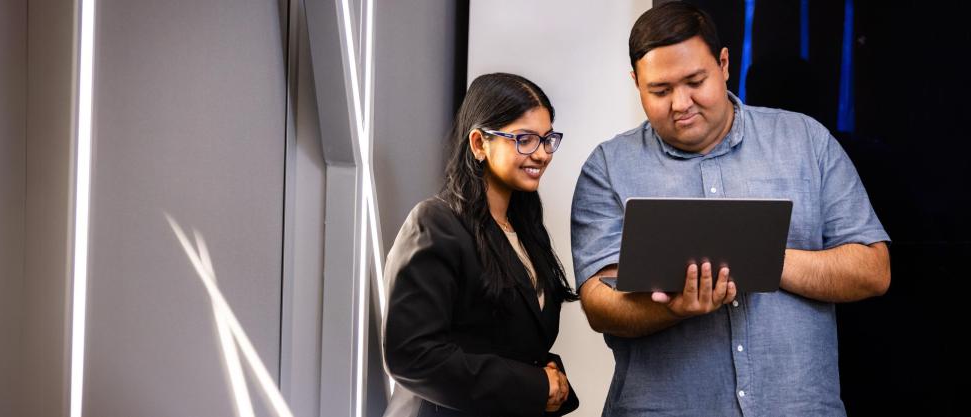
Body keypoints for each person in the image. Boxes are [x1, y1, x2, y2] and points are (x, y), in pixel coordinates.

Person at [570, 2, 891, 416]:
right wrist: (670, 307)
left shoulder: (805, 141)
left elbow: (873, 269)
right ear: (636, 83)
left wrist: (759, 258)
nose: (681, 103)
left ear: (723, 64)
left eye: (694, 81)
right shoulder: (608, 167)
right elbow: (598, 301)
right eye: (660, 91)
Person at [382, 73, 579, 417]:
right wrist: (535, 385)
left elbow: (508, 340)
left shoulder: (526, 232)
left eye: (548, 139)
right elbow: (411, 355)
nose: (542, 153)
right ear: (478, 144)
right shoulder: (435, 223)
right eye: (525, 139)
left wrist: (551, 381)